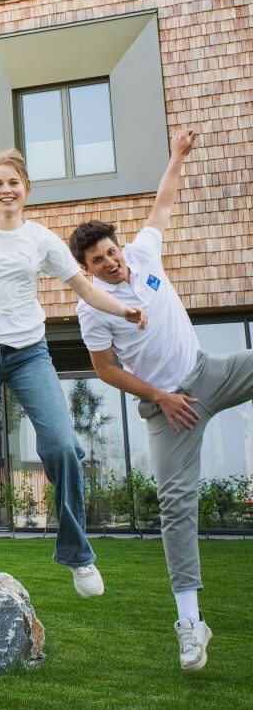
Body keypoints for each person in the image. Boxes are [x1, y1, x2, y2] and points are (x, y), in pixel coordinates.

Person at [0, 151, 146, 616]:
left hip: (29, 354)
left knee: (61, 446)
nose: (6, 190)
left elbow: (85, 289)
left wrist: (124, 309)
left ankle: (78, 556)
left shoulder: (41, 240)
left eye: (13, 182)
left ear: (25, 189)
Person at [71, 127, 251, 672]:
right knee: (178, 511)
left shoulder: (145, 253)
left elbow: (163, 202)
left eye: (111, 251)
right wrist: (161, 397)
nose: (110, 263)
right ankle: (191, 624)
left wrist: (175, 155)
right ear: (86, 270)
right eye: (98, 261)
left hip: (210, 371)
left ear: (119, 247)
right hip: (168, 408)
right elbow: (104, 371)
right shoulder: (93, 309)